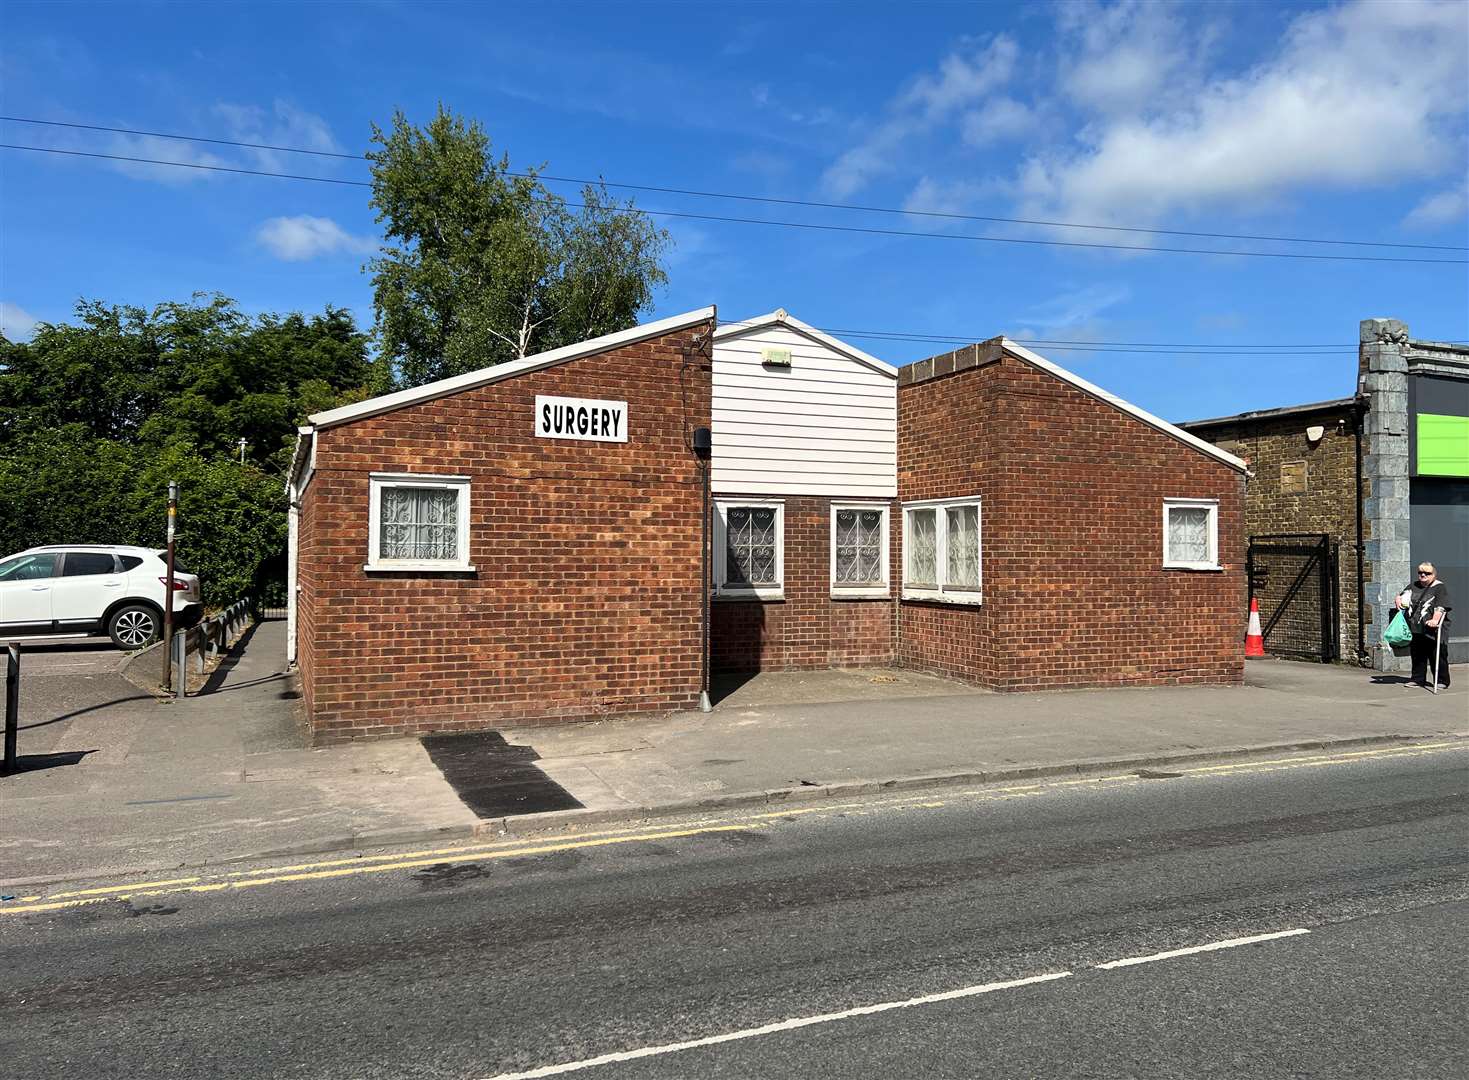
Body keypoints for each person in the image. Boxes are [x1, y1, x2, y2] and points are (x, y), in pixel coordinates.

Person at [1397, 562, 1451, 689]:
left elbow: (1441, 606)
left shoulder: (1439, 587)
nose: (1423, 575)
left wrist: (1435, 620)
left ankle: (1442, 680)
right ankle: (1417, 679)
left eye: (1427, 573)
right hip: (1416, 626)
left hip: (1434, 628)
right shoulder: (1413, 585)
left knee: (1437, 655)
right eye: (1420, 572)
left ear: (1433, 574)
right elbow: (1403, 596)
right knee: (1417, 654)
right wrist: (1398, 599)